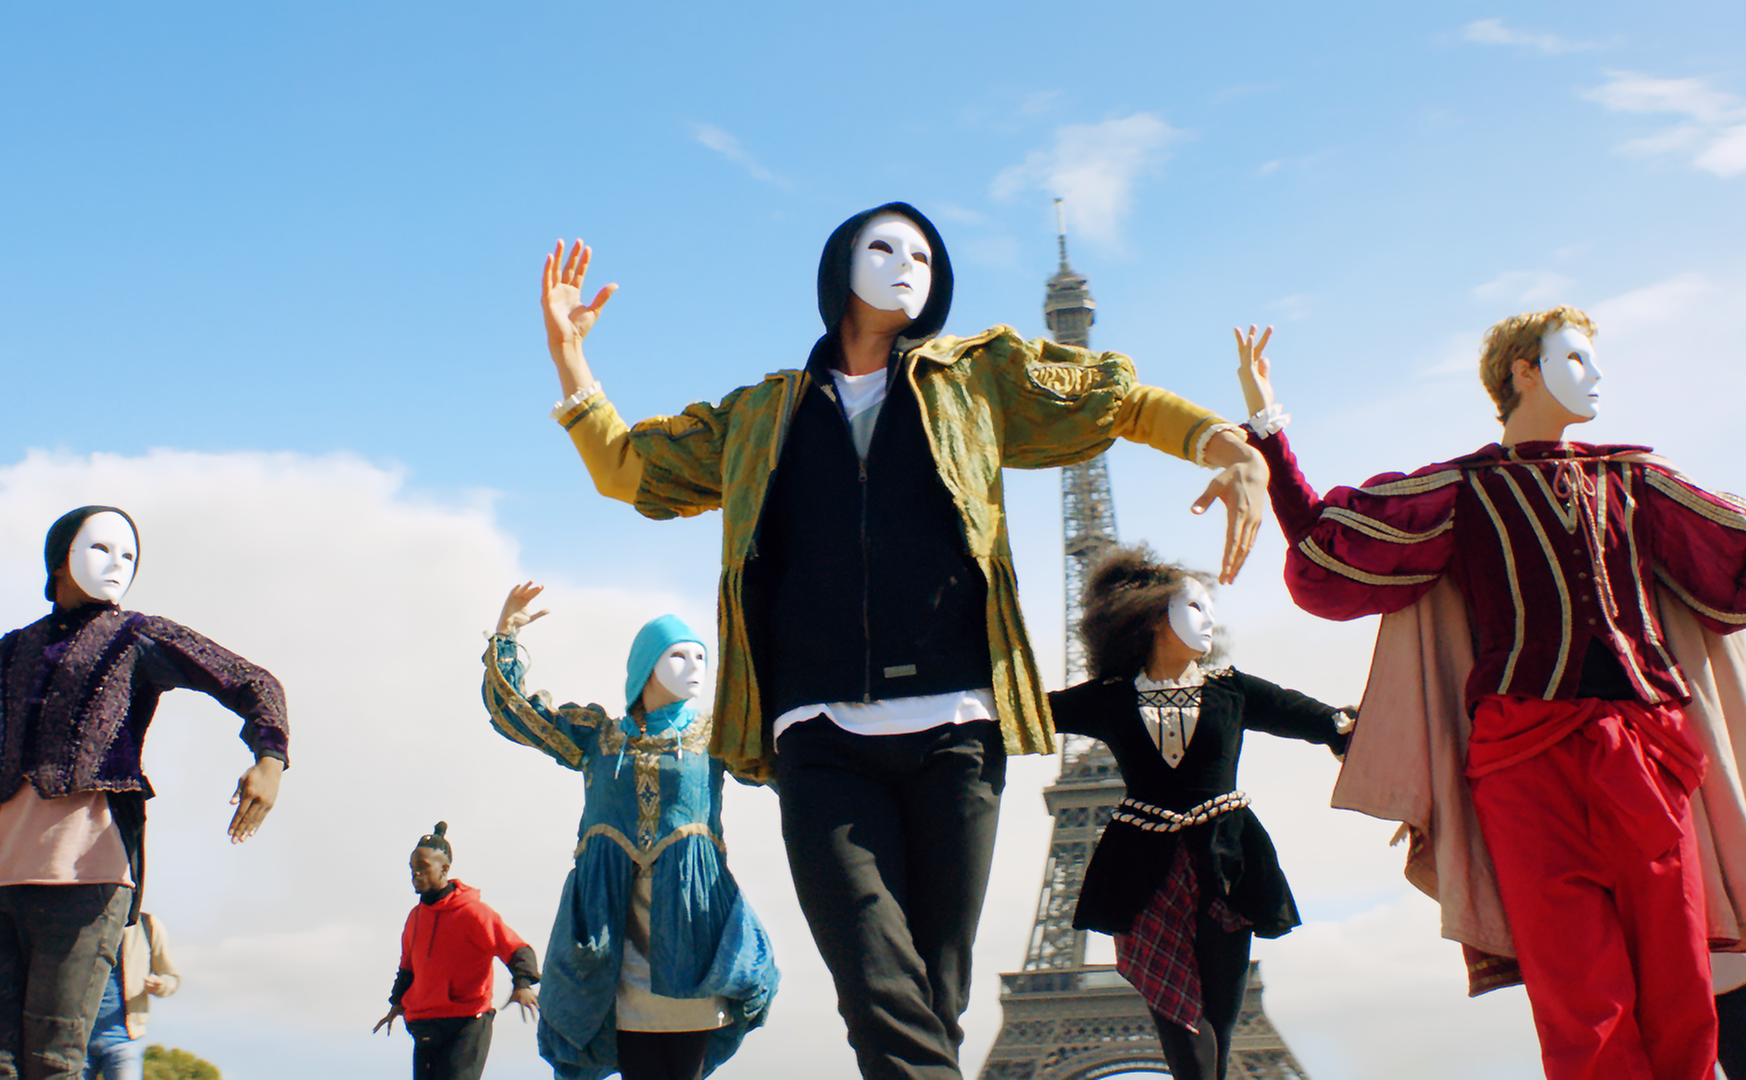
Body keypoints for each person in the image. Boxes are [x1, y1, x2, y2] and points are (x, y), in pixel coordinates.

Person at [539, 203, 1268, 1079]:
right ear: (837, 267)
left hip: (957, 734)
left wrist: (1225, 442)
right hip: (819, 741)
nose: (907, 264)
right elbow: (632, 469)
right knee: (878, 991)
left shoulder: (976, 378)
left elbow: (1112, 401)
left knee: (937, 998)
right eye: (883, 247)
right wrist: (571, 359)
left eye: (923, 252)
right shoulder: (763, 414)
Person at [1233, 313, 1746, 1080]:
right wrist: (1269, 431)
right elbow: (1328, 549)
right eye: (1575, 357)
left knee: (1678, 978)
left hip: (1648, 746)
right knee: (1580, 993)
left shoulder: (1636, 476)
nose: (1597, 375)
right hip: (1521, 754)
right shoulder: (1462, 489)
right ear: (1522, 372)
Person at [0, 501, 289, 1080]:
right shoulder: (16, 650)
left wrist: (271, 756)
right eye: (101, 548)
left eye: (128, 554)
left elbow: (251, 680)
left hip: (89, 881)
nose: (117, 564)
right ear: (59, 561)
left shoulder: (141, 638)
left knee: (55, 1062)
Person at [1050, 544, 1351, 1080]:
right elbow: (1020, 712)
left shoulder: (1231, 690)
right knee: (1182, 1038)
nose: (1210, 619)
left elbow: (1314, 717)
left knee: (1219, 1022)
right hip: (1145, 872)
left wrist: (1356, 720)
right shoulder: (1108, 699)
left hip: (1225, 867)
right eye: (1194, 608)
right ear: (1150, 618)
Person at [482, 584, 779, 1080]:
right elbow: (516, 713)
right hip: (609, 931)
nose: (695, 668)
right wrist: (506, 634)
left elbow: (788, 765)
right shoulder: (599, 735)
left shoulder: (718, 735)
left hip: (691, 929)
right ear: (646, 666)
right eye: (679, 656)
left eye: (701, 657)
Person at [373, 823, 540, 1080]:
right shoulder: (415, 918)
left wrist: (523, 983)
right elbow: (407, 967)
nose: (416, 873)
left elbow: (516, 948)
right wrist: (396, 1003)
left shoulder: (473, 913)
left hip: (467, 1021)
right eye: (412, 868)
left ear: (444, 869)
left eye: (424, 867)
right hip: (425, 1022)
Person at [83, 911, 180, 1080]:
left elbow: (171, 977)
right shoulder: (77, 920)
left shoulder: (146, 924)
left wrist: (160, 985)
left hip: (124, 1038)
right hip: (77, 1038)